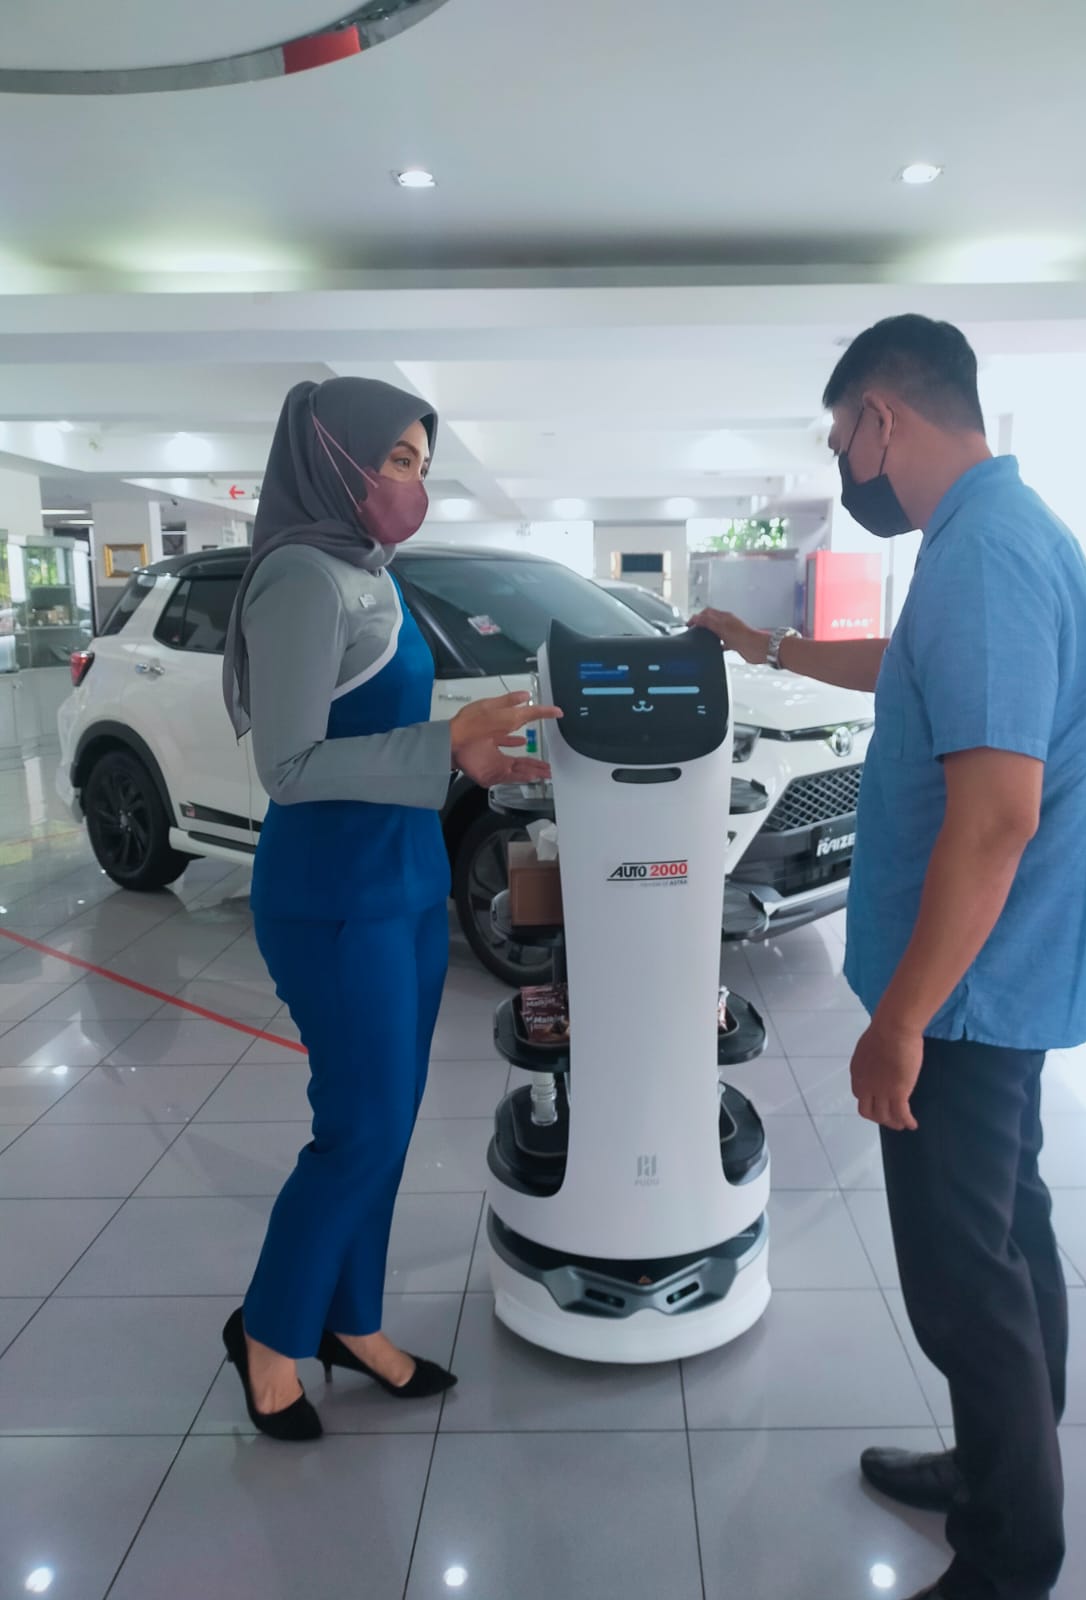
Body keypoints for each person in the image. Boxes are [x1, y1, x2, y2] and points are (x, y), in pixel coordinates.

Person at [693, 315, 1086, 1600]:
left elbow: (995, 819)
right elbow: (914, 667)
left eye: (842, 438)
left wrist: (901, 1020)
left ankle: (1010, 1554)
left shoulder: (983, 553)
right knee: (1008, 1229)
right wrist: (769, 648)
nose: (845, 465)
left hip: (969, 995)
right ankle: (998, 1466)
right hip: (1003, 979)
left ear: (883, 417)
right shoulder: (996, 533)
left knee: (959, 1277)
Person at [220, 376, 559, 1442]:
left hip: (404, 883)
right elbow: (289, 766)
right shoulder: (299, 579)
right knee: (359, 1129)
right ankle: (270, 1331)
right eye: (398, 460)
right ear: (335, 458)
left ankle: (351, 1320)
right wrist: (443, 744)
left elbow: (383, 727)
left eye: (422, 463)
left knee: (390, 1123)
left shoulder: (373, 572)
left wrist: (466, 746)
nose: (414, 482)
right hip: (333, 897)